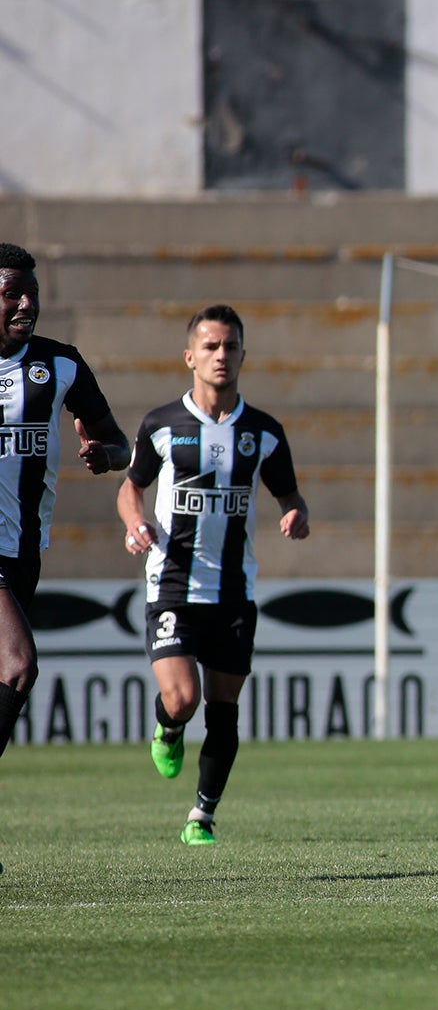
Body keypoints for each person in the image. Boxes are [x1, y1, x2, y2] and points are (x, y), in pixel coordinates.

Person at [119, 305, 310, 844]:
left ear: (243, 355)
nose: (220, 356)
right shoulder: (162, 426)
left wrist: (296, 514)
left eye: (230, 347)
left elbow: (290, 496)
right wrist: (135, 522)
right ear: (190, 357)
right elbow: (131, 486)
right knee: (182, 698)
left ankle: (202, 814)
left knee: (223, 707)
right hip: (174, 583)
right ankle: (169, 726)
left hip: (233, 590)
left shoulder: (264, 433)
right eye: (210, 347)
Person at [0, 245, 131, 801]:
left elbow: (122, 445)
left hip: (23, 551)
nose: (27, 303)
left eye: (33, 292)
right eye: (12, 293)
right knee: (18, 664)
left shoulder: (60, 364)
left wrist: (106, 456)